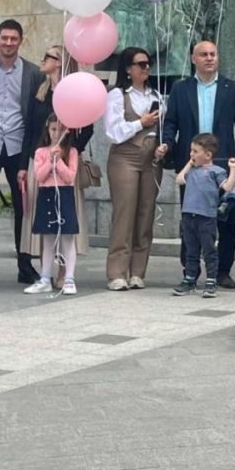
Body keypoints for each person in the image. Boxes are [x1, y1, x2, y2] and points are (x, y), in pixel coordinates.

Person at [157, 40, 235, 289]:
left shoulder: (234, 89)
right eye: (204, 54)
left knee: (225, 220)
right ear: (193, 59)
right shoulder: (180, 89)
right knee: (191, 220)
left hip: (222, 165)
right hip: (192, 164)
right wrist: (166, 144)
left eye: (213, 54)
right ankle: (191, 271)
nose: (209, 58)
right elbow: (171, 124)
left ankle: (222, 271)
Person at [20, 46, 93, 265]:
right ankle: (45, 271)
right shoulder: (40, 93)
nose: (42, 61)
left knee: (65, 216)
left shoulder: (73, 93)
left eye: (47, 57)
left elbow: (88, 127)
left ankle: (64, 271)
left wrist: (71, 151)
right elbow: (30, 130)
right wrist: (24, 165)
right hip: (40, 161)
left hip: (64, 164)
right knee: (42, 216)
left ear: (59, 62)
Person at [104, 47, 162, 292]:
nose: (146, 68)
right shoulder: (117, 95)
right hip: (125, 156)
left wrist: (163, 144)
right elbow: (113, 132)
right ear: (128, 69)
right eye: (140, 64)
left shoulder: (157, 94)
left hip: (150, 158)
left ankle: (138, 271)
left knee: (145, 214)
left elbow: (163, 127)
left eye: (148, 64)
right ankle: (117, 272)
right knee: (124, 214)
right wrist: (142, 122)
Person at [0, 19, 45, 283]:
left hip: (18, 146)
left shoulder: (33, 73)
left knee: (23, 207)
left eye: (13, 39)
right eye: (4, 38)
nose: (8, 43)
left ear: (21, 41)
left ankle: (25, 265)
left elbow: (37, 114)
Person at [172, 134, 235, 297]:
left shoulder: (217, 171)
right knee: (191, 250)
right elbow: (179, 180)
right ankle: (189, 279)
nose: (191, 154)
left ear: (208, 155)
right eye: (191, 151)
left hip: (206, 217)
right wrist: (190, 163)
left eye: (195, 151)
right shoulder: (192, 171)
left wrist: (233, 169)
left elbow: (229, 186)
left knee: (209, 250)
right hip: (189, 216)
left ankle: (211, 280)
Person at [23, 115, 80, 295]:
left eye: (60, 130)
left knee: (67, 239)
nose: (56, 134)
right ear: (48, 129)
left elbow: (70, 177)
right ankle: (45, 278)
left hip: (64, 194)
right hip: (46, 194)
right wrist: (50, 161)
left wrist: (59, 161)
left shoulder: (71, 152)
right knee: (47, 240)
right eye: (53, 129)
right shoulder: (40, 152)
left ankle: (69, 278)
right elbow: (39, 176)